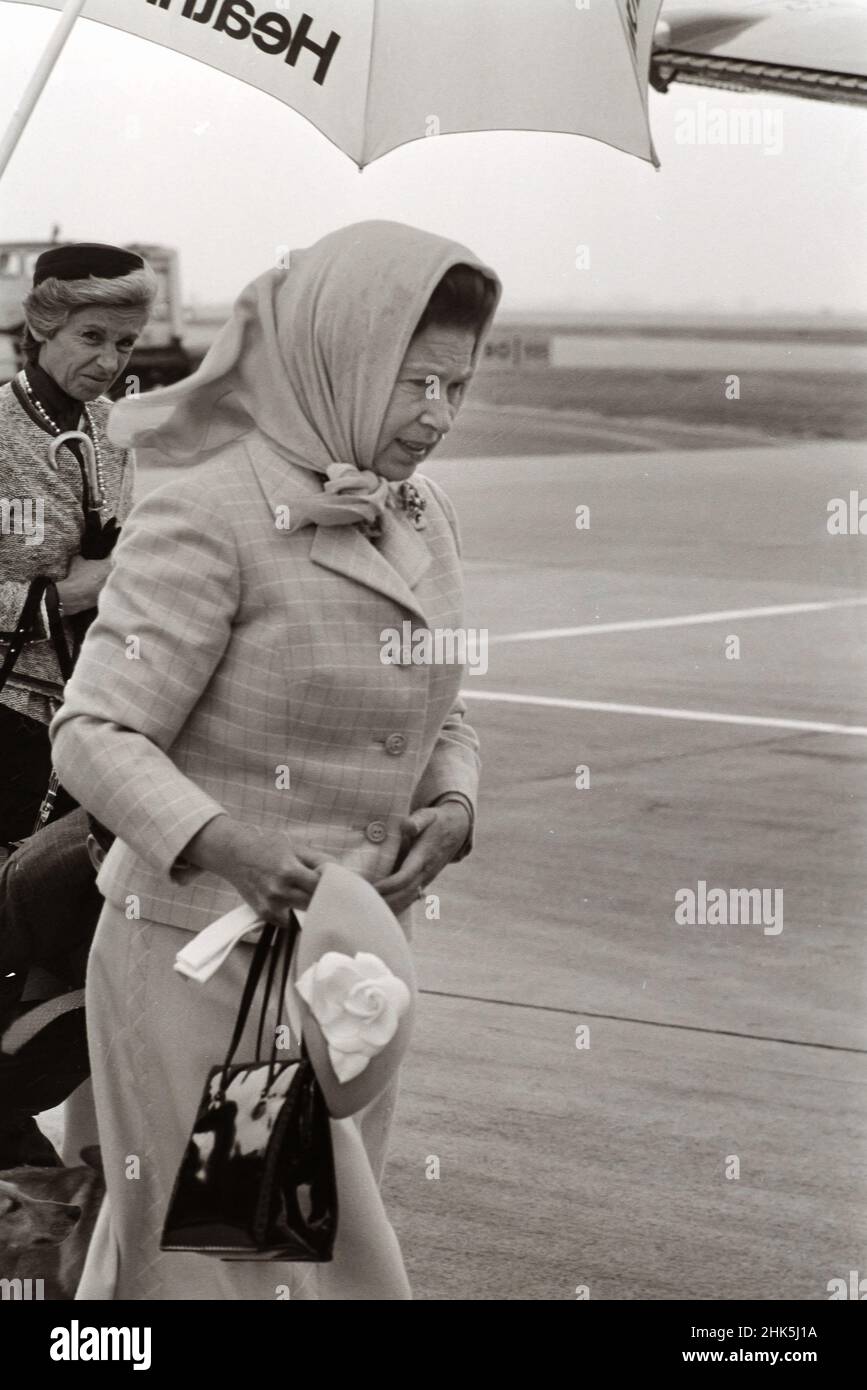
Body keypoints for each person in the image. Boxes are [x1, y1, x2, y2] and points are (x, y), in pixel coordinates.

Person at [50, 219, 501, 1300]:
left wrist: (453, 803)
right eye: (414, 383)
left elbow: (440, 703)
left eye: (457, 386)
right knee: (255, 1273)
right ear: (341, 356)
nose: (436, 417)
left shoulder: (421, 512)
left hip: (348, 972)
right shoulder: (211, 506)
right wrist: (227, 842)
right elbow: (94, 731)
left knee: (256, 1257)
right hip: (206, 969)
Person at [0, 242, 157, 850]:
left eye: (125, 344)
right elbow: (93, 581)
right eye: (92, 336)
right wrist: (65, 596)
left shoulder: (113, 430)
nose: (109, 360)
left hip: (91, 713)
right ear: (43, 325)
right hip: (10, 707)